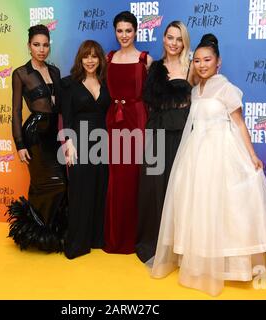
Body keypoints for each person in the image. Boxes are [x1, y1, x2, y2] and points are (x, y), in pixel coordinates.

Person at [149, 34, 266, 296]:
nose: (202, 64)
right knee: (199, 206)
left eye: (207, 60)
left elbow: (239, 123)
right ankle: (199, 260)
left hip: (221, 151)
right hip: (197, 153)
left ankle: (232, 267)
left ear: (218, 62)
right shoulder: (196, 90)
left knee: (225, 208)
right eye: (197, 60)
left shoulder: (227, 88)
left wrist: (251, 155)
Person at [6, 24, 67, 252]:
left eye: (45, 45)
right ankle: (37, 233)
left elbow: (61, 105)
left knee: (61, 183)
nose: (41, 49)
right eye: (36, 45)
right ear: (29, 46)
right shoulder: (21, 73)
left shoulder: (55, 72)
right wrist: (19, 144)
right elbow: (15, 111)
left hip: (54, 134)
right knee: (44, 184)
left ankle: (51, 232)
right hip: (34, 135)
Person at [136, 21, 192, 263]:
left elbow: (200, 100)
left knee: (179, 188)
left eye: (179, 39)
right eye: (170, 37)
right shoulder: (155, 67)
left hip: (182, 135)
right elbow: (149, 101)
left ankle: (180, 246)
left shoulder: (191, 67)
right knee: (154, 187)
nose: (174, 43)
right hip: (158, 133)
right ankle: (157, 242)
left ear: (184, 42)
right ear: (163, 39)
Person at [104, 11, 153, 254]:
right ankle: (115, 236)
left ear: (136, 32)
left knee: (134, 177)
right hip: (114, 121)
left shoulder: (146, 59)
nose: (124, 35)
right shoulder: (108, 58)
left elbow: (151, 96)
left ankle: (134, 237)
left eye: (128, 30)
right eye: (120, 30)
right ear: (115, 32)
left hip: (137, 120)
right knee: (116, 177)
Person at [61, 40, 110, 259]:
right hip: (79, 141)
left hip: (103, 142)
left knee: (100, 189)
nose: (90, 60)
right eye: (86, 56)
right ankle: (78, 243)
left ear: (100, 59)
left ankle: (96, 238)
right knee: (80, 190)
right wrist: (69, 144)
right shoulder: (70, 84)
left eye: (94, 56)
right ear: (80, 59)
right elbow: (67, 117)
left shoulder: (107, 82)